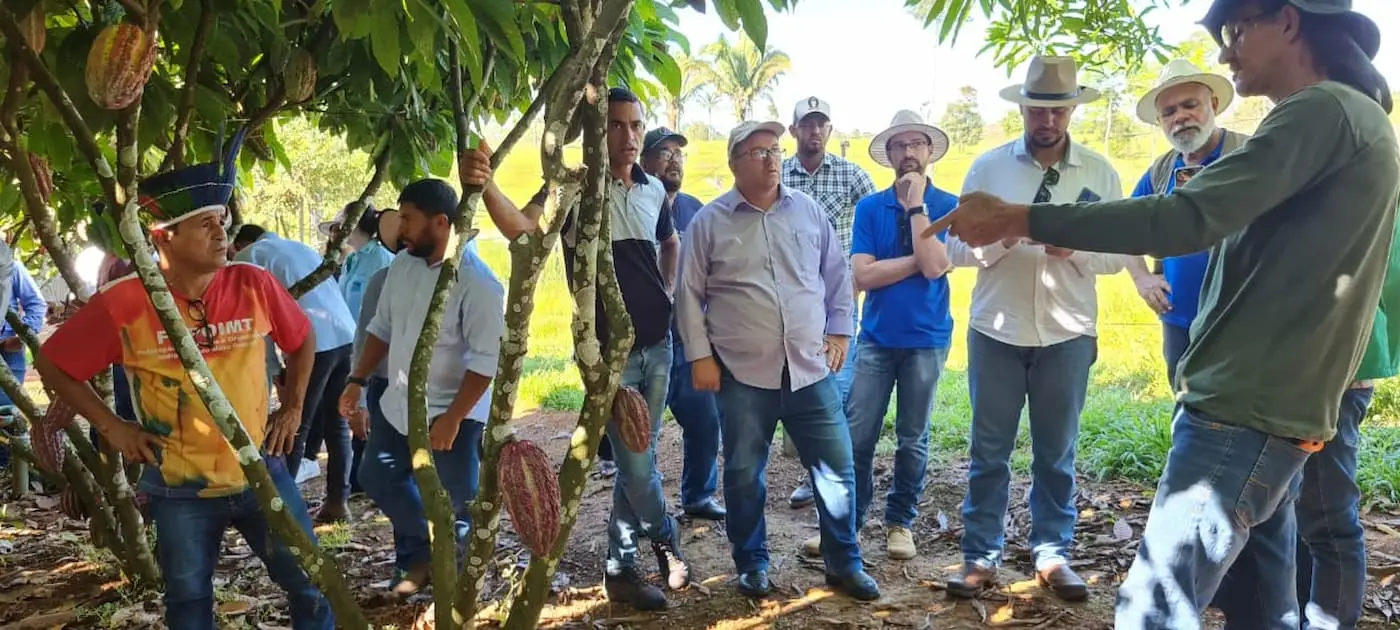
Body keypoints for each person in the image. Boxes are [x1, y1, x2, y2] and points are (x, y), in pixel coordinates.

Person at [934, 0, 1396, 625]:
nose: (1227, 54)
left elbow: (1183, 218)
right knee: (1262, 604)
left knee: (1154, 606)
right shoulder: (1340, 117)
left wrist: (1018, 217)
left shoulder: (1321, 112)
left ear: (1288, 22)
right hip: (1266, 404)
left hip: (1244, 408)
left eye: (1235, 32)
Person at [34, 133, 334, 630]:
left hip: (261, 470)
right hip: (178, 486)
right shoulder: (127, 301)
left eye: (223, 222)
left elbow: (303, 340)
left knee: (308, 581)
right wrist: (113, 426)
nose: (222, 234)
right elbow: (54, 365)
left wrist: (294, 404)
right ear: (163, 237)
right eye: (205, 225)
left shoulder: (252, 284)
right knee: (189, 603)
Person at [459, 88, 691, 611]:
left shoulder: (653, 189)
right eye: (614, 125)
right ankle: (667, 537)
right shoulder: (574, 189)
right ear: (593, 132)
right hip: (609, 355)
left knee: (641, 459)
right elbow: (522, 231)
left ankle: (619, 568)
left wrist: (668, 290)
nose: (628, 136)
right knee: (636, 466)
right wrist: (486, 182)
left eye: (635, 125)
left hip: (660, 347)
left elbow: (670, 242)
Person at [945, 55, 1130, 603]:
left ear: (1072, 109)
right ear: (1022, 107)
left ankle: (1052, 553)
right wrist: (1004, 236)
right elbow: (956, 248)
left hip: (1068, 334)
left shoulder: (1099, 173)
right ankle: (980, 556)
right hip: (997, 333)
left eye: (1058, 109)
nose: (1047, 119)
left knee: (1056, 452)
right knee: (989, 451)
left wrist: (1073, 250)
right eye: (1037, 108)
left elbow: (1117, 255)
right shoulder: (988, 169)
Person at [677, 120, 879, 602]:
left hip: (810, 369)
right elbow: (687, 296)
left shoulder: (807, 211)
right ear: (733, 164)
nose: (770, 159)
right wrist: (700, 358)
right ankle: (752, 562)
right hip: (744, 373)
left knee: (836, 467)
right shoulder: (709, 222)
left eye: (774, 149)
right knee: (745, 472)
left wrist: (838, 331)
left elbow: (837, 276)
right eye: (757, 152)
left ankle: (843, 562)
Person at [337, 179, 503, 599]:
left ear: (441, 223)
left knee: (458, 503)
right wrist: (357, 380)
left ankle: (461, 589)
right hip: (398, 403)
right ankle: (426, 555)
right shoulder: (403, 267)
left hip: (453, 412)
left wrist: (453, 417)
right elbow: (382, 328)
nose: (401, 229)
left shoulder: (477, 282)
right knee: (376, 475)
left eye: (409, 219)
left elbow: (486, 361)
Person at [809, 110, 956, 561]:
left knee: (914, 437)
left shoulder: (949, 204)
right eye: (899, 146)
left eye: (917, 144)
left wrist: (916, 208)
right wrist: (921, 258)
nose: (909, 152)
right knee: (857, 435)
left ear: (929, 152)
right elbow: (863, 275)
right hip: (875, 337)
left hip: (927, 338)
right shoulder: (870, 207)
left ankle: (900, 523)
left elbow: (935, 267)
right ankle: (845, 524)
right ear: (889, 155)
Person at [1124, 58, 1250, 388]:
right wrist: (1141, 279)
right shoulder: (1160, 170)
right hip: (1178, 317)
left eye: (1190, 105)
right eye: (1168, 112)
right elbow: (1124, 226)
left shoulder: (1250, 154)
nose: (1180, 117)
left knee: (1239, 412)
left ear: (1214, 104)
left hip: (1242, 317)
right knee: (1184, 403)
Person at [781, 96, 878, 511]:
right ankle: (812, 471)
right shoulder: (779, 173)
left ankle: (834, 477)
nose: (814, 132)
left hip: (838, 301)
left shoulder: (852, 175)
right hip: (791, 303)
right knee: (799, 387)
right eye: (806, 124)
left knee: (836, 387)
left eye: (821, 125)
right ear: (794, 132)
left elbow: (876, 217)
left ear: (830, 131)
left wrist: (864, 274)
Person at [232, 224, 358, 523]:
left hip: (312, 342)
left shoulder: (247, 258)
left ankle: (283, 510)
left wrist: (276, 373)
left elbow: (257, 324)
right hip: (345, 335)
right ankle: (338, 502)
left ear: (239, 245)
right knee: (336, 425)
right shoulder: (298, 247)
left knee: (293, 421)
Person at [641, 126, 724, 522]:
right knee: (643, 432)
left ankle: (698, 496)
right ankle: (645, 507)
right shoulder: (634, 203)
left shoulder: (698, 210)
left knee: (705, 420)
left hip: (690, 338)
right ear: (644, 161)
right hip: (645, 340)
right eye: (663, 152)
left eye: (679, 153)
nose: (674, 159)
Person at [336, 203, 395, 319]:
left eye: (344, 222)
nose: (340, 228)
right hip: (349, 333)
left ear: (357, 223)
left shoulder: (381, 257)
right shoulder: (350, 260)